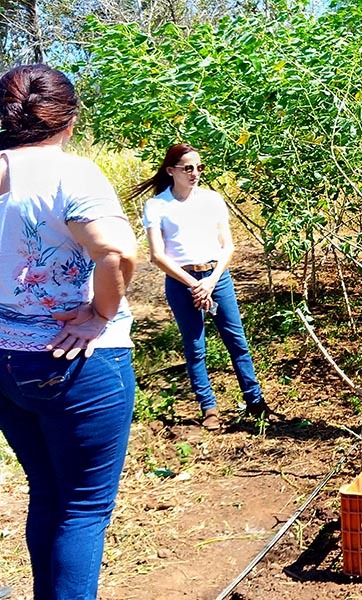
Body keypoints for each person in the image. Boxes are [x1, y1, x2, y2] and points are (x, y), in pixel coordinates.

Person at [0, 64, 138, 600]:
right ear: (69, 121)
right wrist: (100, 314)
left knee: (48, 494)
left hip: (7, 365)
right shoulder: (70, 174)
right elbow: (116, 250)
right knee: (82, 508)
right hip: (74, 363)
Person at [129, 143, 271, 430]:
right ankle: (209, 408)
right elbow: (157, 255)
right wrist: (195, 285)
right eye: (188, 168)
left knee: (236, 341)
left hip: (216, 278)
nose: (195, 173)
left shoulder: (212, 200)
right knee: (195, 346)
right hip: (183, 282)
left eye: (199, 167)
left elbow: (227, 246)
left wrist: (210, 281)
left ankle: (255, 401)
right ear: (171, 171)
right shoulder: (158, 206)